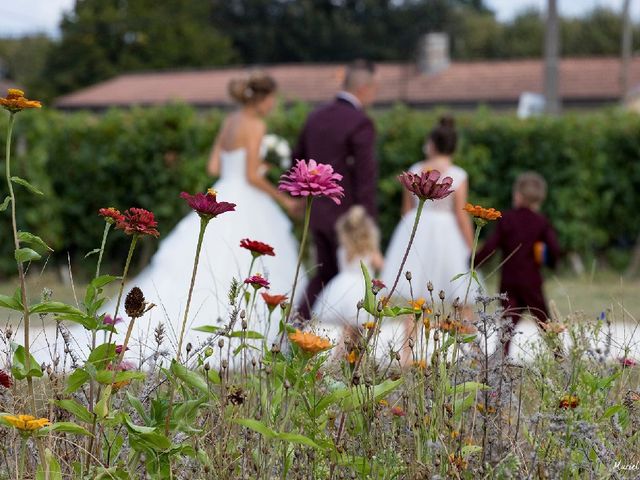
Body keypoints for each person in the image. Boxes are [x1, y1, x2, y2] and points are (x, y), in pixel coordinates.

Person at [98, 72, 303, 366]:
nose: (273, 105)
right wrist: (282, 197)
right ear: (263, 99)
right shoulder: (255, 125)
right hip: (246, 196)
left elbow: (213, 164)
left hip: (222, 189)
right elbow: (249, 176)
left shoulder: (229, 122)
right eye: (272, 100)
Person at [293, 59, 379, 320]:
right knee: (357, 278)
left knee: (323, 272)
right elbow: (365, 177)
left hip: (316, 211)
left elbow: (297, 159)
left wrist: (299, 198)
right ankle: (349, 339)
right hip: (349, 218)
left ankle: (299, 324)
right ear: (364, 88)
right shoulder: (360, 122)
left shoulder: (315, 116)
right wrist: (369, 223)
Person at [381, 116, 474, 304]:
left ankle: (410, 333)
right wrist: (471, 246)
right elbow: (461, 215)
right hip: (447, 231)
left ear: (431, 144)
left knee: (413, 287)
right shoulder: (458, 175)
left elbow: (406, 209)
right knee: (460, 290)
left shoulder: (416, 169)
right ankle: (465, 329)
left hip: (416, 227)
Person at [475, 171, 561, 357]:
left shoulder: (506, 219)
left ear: (518, 195)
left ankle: (501, 361)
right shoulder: (541, 222)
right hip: (532, 282)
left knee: (507, 324)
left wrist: (475, 261)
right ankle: (559, 356)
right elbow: (554, 249)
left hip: (510, 282)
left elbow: (491, 246)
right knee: (544, 320)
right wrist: (551, 263)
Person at [312, 206, 383, 355]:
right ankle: (352, 358)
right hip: (360, 289)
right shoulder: (370, 251)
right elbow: (381, 265)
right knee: (357, 330)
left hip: (341, 287)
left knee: (347, 329)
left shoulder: (343, 250)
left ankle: (341, 355)